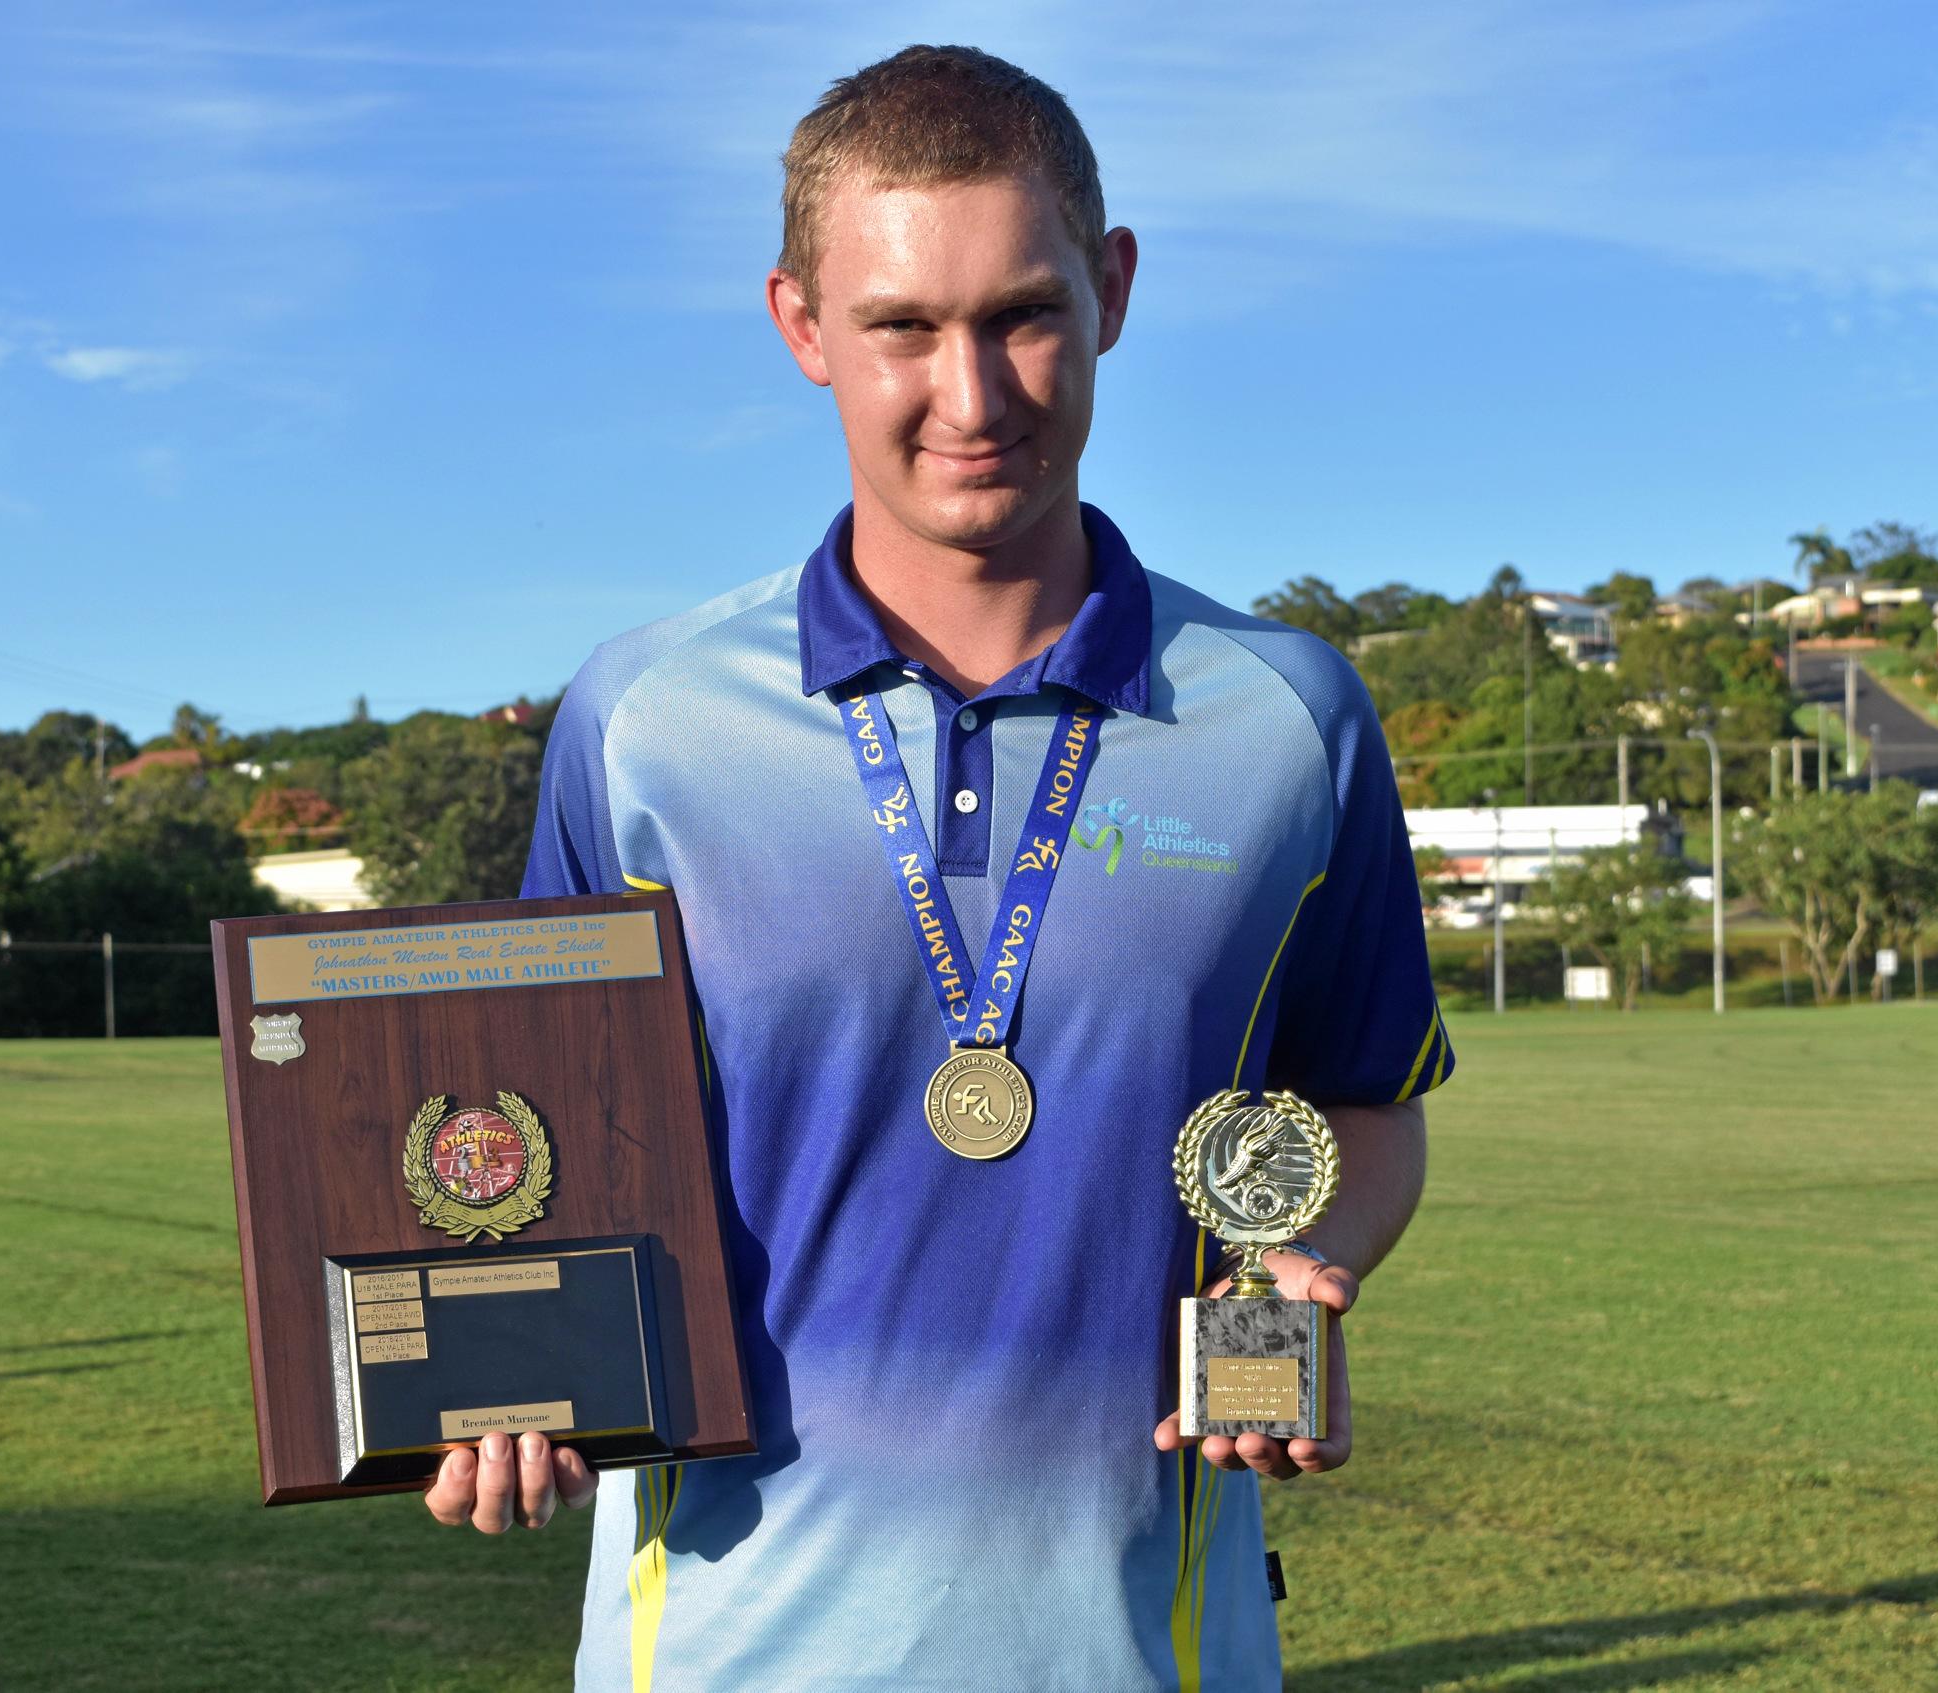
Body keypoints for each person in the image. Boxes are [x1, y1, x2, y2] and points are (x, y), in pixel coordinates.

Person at [425, 44, 1449, 1692]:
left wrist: (1301, 1270)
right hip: (724, 1653)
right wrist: (496, 1354)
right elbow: (533, 1137)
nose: (968, 397)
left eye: (1021, 314)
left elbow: (1364, 1105)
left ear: (1110, 291)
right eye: (901, 325)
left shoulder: (1285, 719)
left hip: (1147, 1654)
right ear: (800, 324)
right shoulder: (645, 719)